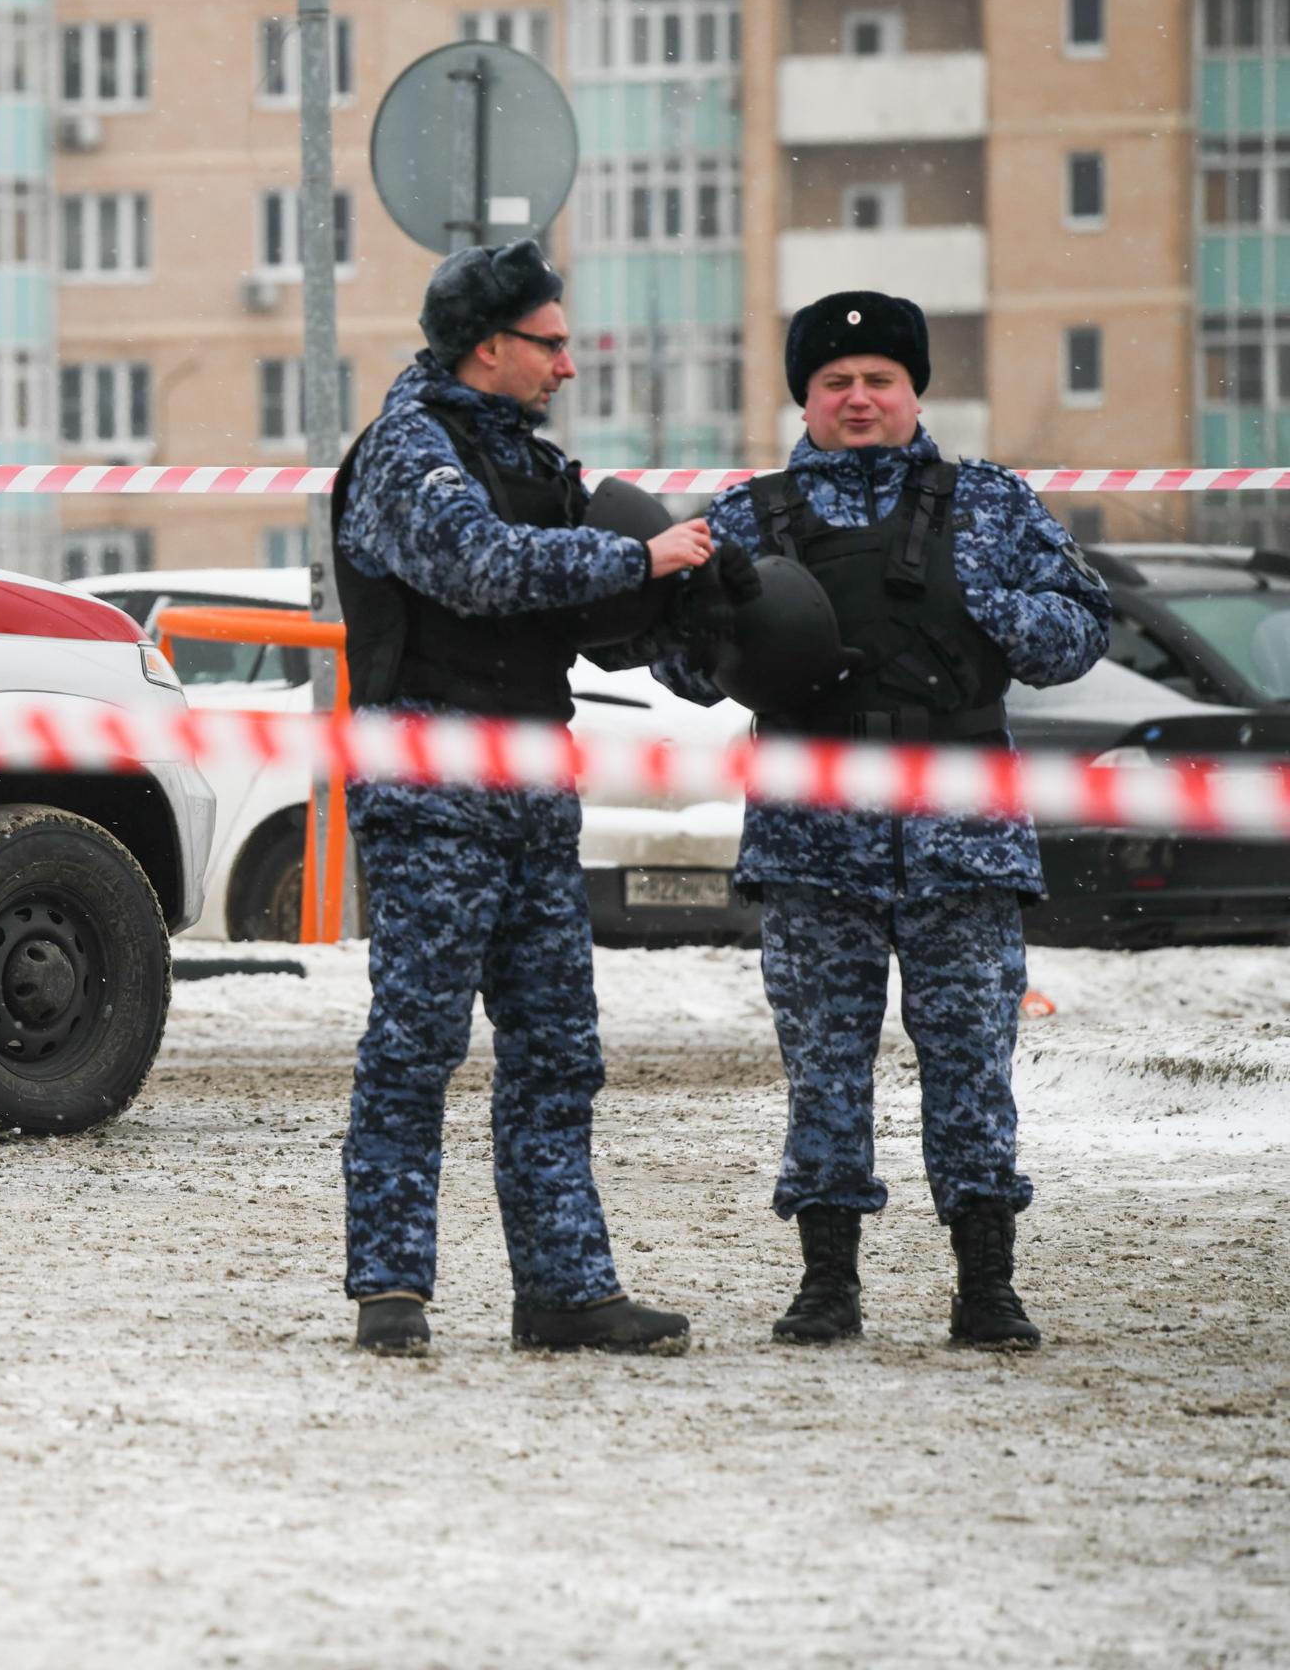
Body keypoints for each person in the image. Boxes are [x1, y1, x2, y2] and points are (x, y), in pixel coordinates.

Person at [653, 291, 1111, 1350]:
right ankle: (827, 1282)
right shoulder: (746, 516)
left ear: (914, 391)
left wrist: (990, 609)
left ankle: (986, 1282)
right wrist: (719, 626)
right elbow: (681, 669)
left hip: (963, 838)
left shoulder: (989, 502)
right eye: (835, 382)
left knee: (970, 1069)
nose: (859, 399)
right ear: (804, 397)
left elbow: (1081, 630)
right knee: (822, 1067)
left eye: (879, 380)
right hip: (814, 842)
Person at [329, 240, 707, 1357]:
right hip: (436, 792)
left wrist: (699, 605)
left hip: (535, 792)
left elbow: (574, 604)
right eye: (550, 343)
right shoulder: (409, 449)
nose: (568, 366)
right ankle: (392, 1288)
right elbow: (481, 567)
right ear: (487, 346)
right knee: (417, 1041)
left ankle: (566, 1290)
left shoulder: (534, 463)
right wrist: (639, 563)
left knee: (556, 1048)